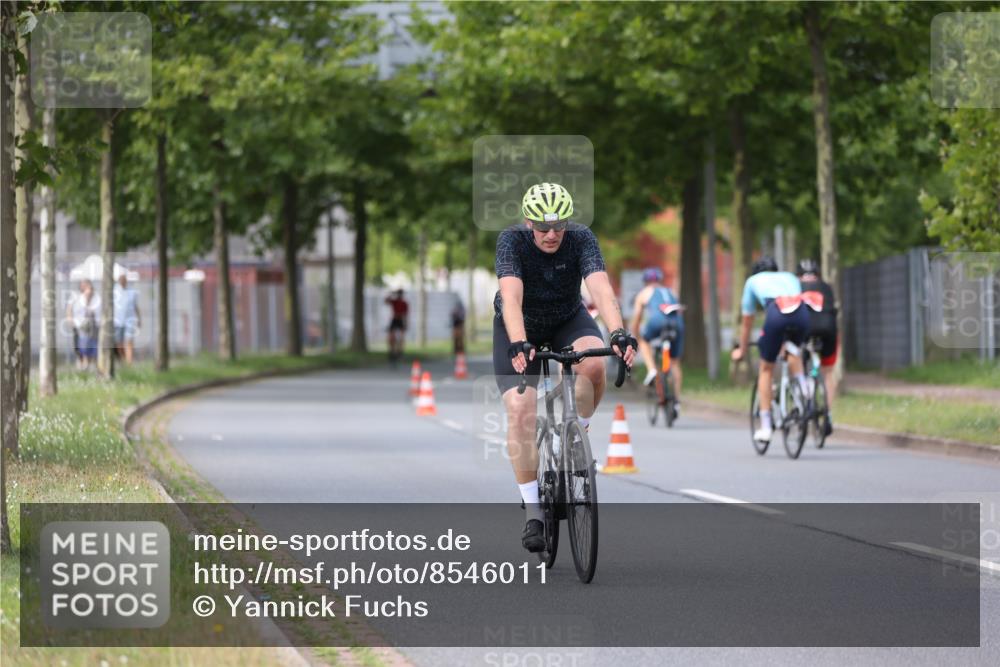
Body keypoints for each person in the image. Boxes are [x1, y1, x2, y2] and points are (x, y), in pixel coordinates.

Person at [494, 182, 636, 553]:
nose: (552, 234)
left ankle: (576, 434)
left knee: (592, 365)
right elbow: (511, 296)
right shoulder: (511, 241)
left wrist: (619, 332)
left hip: (566, 319)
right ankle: (534, 513)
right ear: (528, 222)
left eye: (559, 226)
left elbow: (600, 288)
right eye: (543, 228)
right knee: (521, 409)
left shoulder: (581, 238)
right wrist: (518, 340)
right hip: (517, 325)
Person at [730, 257, 816, 444]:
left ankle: (766, 426)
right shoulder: (790, 277)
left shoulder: (752, 281)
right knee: (793, 350)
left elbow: (747, 322)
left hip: (777, 312)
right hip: (801, 313)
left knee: (766, 369)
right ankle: (804, 385)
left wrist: (742, 350)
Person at [629, 267, 685, 412]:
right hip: (677, 324)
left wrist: (635, 336)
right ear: (660, 280)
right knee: (674, 363)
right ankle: (677, 401)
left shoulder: (644, 293)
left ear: (646, 282)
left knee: (644, 341)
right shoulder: (671, 292)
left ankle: (652, 370)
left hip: (657, 322)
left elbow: (636, 320)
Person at [796, 258, 839, 430]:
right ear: (818, 275)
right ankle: (827, 414)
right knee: (828, 373)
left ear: (798, 276)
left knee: (797, 363)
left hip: (804, 330)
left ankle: (802, 402)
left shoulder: (795, 287)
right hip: (828, 330)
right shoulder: (826, 287)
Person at [65, 279, 100, 370]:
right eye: (83, 285)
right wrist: (70, 318)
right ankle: (81, 360)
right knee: (78, 345)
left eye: (87, 285)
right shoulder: (75, 296)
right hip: (78, 324)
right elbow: (69, 308)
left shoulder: (94, 296)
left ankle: (88, 363)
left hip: (91, 324)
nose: (85, 287)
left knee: (90, 343)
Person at [113, 273, 141, 365]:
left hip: (130, 320)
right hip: (117, 321)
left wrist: (139, 319)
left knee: (129, 341)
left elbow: (136, 306)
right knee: (119, 343)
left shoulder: (132, 292)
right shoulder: (114, 291)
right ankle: (123, 359)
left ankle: (129, 362)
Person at [385, 289, 409, 357]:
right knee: (391, 335)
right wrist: (391, 294)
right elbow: (386, 301)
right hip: (394, 319)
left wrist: (406, 323)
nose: (399, 295)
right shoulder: (394, 302)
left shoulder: (404, 303)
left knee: (401, 336)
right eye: (398, 294)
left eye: (400, 294)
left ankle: (400, 350)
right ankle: (391, 350)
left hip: (401, 320)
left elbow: (405, 314)